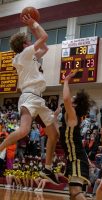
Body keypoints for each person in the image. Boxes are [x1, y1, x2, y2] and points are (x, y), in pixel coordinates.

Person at [0, 14, 59, 184]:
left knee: (54, 134)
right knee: (24, 130)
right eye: (27, 40)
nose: (30, 42)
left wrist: (33, 28)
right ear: (24, 44)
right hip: (29, 96)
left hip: (38, 98)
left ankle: (47, 170)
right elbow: (44, 37)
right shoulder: (25, 54)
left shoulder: (29, 56)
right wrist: (33, 23)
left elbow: (45, 48)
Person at [59, 71, 91, 200]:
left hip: (77, 158)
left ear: (75, 105)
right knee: (72, 194)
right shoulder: (68, 117)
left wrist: (66, 81)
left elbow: (65, 98)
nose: (69, 99)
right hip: (74, 158)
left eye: (73, 100)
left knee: (75, 192)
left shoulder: (73, 116)